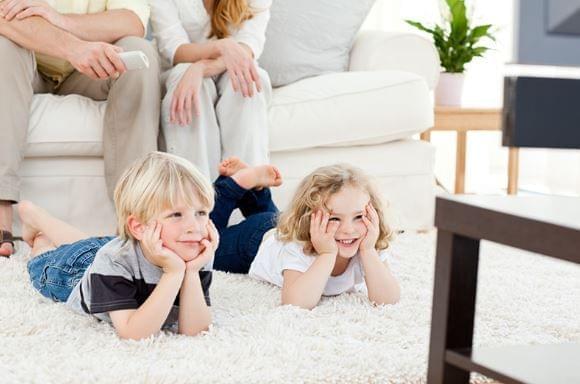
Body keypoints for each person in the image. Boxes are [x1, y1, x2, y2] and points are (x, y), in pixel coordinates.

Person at [0, 0, 161, 257]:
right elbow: (4, 17)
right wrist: (72, 47)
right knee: (2, 45)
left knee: (139, 49)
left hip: (91, 69)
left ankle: (136, 210)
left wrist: (58, 20)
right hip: (27, 65)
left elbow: (132, 21)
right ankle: (1, 207)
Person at [21, 152, 216, 339]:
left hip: (119, 249)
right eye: (176, 214)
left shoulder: (195, 253)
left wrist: (190, 272)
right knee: (47, 260)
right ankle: (36, 221)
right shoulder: (113, 260)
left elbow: (196, 331)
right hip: (76, 272)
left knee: (87, 245)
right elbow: (134, 334)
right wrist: (173, 273)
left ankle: (38, 218)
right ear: (139, 227)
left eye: (201, 213)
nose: (194, 227)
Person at [212, 161, 401, 309]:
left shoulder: (368, 242)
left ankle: (257, 189)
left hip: (279, 223)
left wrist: (368, 251)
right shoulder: (299, 247)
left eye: (359, 216)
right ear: (307, 219)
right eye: (334, 219)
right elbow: (295, 303)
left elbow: (388, 299)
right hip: (254, 242)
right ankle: (234, 185)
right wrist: (327, 254)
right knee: (209, 242)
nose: (349, 230)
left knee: (275, 217)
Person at [149, 0, 272, 181]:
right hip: (181, 69)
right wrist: (220, 46)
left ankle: (249, 192)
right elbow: (174, 49)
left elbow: (248, 47)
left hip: (223, 69)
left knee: (250, 78)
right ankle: (197, 197)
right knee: (186, 79)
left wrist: (201, 68)